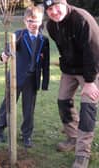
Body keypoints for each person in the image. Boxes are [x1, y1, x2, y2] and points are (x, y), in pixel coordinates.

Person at [43, 0, 99, 167]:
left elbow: (94, 51)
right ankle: (73, 138)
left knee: (88, 107)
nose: (54, 12)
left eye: (56, 6)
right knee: (63, 101)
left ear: (65, 3)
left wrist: (90, 82)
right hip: (70, 70)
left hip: (91, 69)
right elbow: (64, 48)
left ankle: (82, 153)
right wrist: (65, 67)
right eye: (49, 9)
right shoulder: (52, 26)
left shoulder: (82, 19)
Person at [0, 5, 50, 148]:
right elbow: (7, 51)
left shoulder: (44, 40)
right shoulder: (18, 35)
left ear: (41, 21)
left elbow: (46, 63)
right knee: (8, 104)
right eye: (30, 21)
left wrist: (45, 83)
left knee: (29, 108)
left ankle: (26, 135)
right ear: (25, 21)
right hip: (15, 77)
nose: (33, 24)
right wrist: (4, 56)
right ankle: (0, 128)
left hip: (32, 80)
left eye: (35, 20)